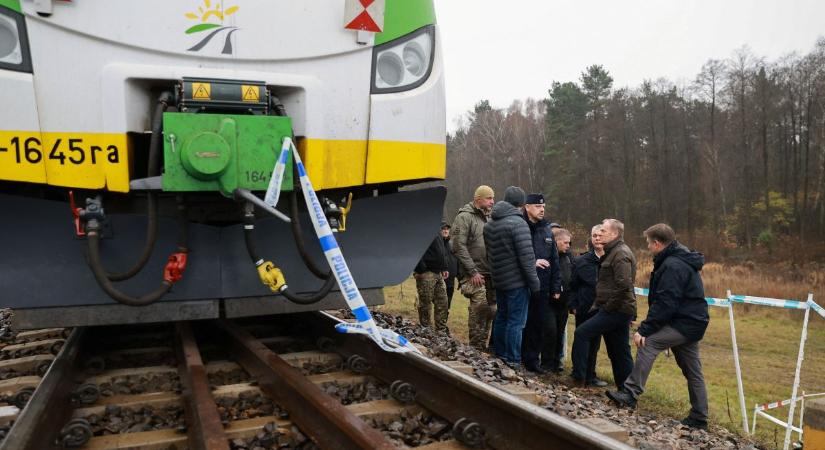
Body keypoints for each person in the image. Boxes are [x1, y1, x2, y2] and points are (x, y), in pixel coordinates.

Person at [607, 224, 710, 431]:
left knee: (648, 343)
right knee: (693, 370)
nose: (647, 247)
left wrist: (645, 329)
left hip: (685, 322)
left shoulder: (672, 265)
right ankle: (699, 417)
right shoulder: (676, 258)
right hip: (691, 321)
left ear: (656, 243)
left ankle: (630, 394)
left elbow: (666, 302)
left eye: (648, 243)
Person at [570, 218, 636, 388]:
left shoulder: (620, 254)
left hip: (616, 310)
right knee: (618, 351)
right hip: (616, 309)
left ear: (614, 234)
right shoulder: (612, 251)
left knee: (582, 333)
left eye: (603, 231)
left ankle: (579, 380)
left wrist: (607, 307)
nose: (599, 234)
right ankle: (626, 390)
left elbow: (624, 285)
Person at [484, 186, 540, 368]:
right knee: (516, 322)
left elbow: (489, 254)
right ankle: (513, 359)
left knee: (502, 317)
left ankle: (499, 353)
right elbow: (527, 258)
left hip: (499, 279)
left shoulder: (490, 224)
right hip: (517, 282)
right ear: (522, 204)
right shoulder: (518, 224)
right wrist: (535, 284)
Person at [451, 185, 496, 349]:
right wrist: (472, 271)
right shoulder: (464, 217)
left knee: (491, 310)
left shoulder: (490, 218)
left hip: (490, 273)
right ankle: (475, 348)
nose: (492, 201)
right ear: (478, 199)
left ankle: (482, 347)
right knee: (480, 308)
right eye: (489, 198)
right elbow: (458, 246)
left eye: (493, 198)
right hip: (473, 274)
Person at [520, 193, 561, 374]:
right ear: (527, 207)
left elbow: (554, 260)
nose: (542, 209)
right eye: (537, 206)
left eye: (543, 207)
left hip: (542, 287)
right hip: (523, 284)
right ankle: (515, 357)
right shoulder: (521, 226)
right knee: (521, 323)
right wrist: (533, 262)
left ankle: (532, 361)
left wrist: (555, 286)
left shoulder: (546, 230)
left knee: (538, 325)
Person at [568, 225, 608, 387]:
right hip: (584, 307)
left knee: (595, 344)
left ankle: (590, 375)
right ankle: (578, 374)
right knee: (581, 341)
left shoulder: (613, 259)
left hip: (604, 309)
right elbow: (572, 285)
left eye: (600, 235)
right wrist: (573, 304)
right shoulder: (581, 261)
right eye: (594, 235)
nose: (597, 238)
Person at [542, 227, 571, 373]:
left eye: (569, 243)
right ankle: (546, 363)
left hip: (563, 303)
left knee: (560, 333)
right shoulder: (547, 257)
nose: (568, 246)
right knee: (550, 331)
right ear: (556, 241)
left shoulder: (568, 258)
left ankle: (556, 362)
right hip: (549, 302)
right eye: (565, 243)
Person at [413, 228, 450, 333]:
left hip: (438, 272)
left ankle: (441, 331)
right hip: (426, 272)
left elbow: (441, 249)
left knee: (443, 302)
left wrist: (444, 267)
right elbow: (415, 247)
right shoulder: (421, 227)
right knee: (425, 303)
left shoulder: (436, 227)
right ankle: (426, 330)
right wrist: (421, 269)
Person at [441, 222, 459, 309]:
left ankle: (445, 317)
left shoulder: (452, 244)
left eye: (447, 229)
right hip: (439, 279)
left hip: (451, 280)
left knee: (447, 304)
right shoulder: (436, 244)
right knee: (439, 304)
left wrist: (460, 276)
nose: (446, 231)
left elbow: (457, 261)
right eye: (443, 229)